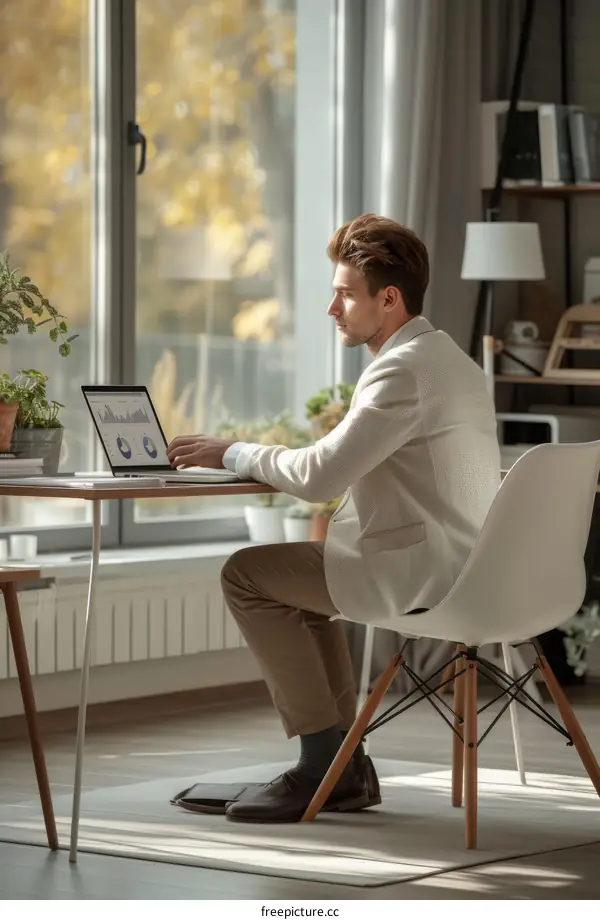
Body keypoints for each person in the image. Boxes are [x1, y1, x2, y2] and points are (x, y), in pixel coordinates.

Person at [167, 213, 501, 823]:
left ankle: (323, 763)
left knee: (246, 574)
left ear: (389, 299)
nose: (332, 309)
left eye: (345, 293)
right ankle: (339, 763)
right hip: (465, 564)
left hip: (418, 573)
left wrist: (231, 452)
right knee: (293, 583)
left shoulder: (404, 370)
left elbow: (321, 475)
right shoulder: (447, 358)